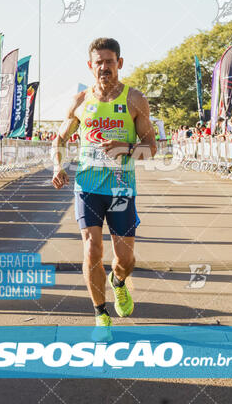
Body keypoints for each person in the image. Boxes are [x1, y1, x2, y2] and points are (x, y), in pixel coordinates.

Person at [51, 37, 156, 336]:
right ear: (90, 66)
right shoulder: (81, 101)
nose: (104, 67)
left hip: (122, 189)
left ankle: (119, 282)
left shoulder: (134, 99)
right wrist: (58, 165)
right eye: (99, 62)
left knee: (125, 259)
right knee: (91, 249)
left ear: (119, 63)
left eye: (110, 61)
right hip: (88, 187)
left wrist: (126, 147)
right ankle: (100, 314)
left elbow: (151, 148)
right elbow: (59, 138)